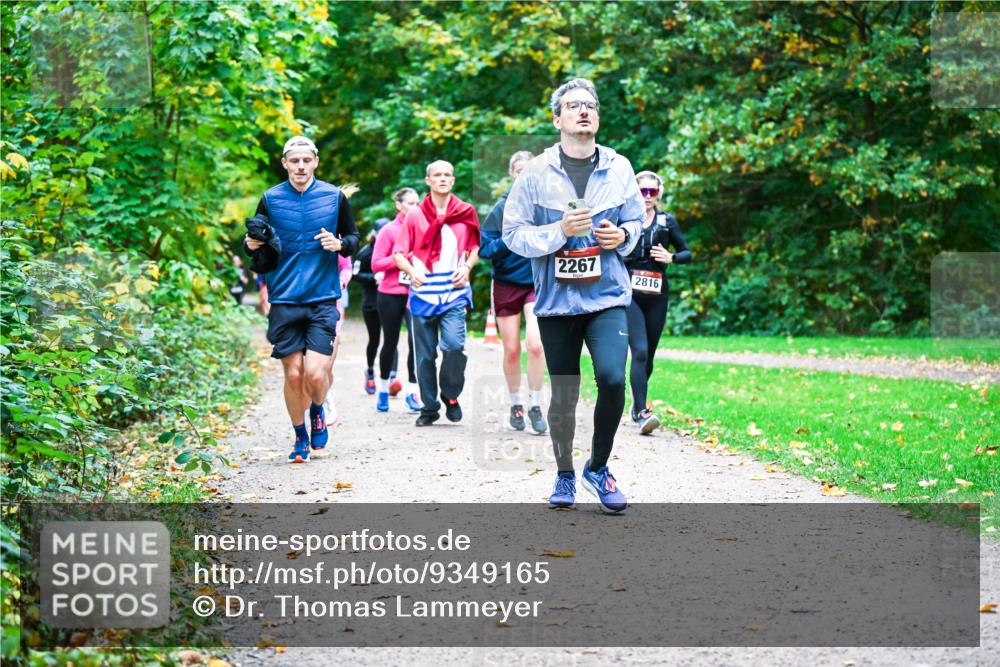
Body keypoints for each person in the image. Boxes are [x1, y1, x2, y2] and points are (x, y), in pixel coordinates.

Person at [503, 78, 643, 513]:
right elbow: (512, 235)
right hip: (557, 301)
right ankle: (564, 473)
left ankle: (598, 468)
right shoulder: (535, 174)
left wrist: (621, 236)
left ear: (597, 117)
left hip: (607, 296)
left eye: (590, 106)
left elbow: (636, 225)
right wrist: (557, 232)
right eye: (574, 106)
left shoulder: (619, 168)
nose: (583, 111)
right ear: (557, 118)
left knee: (614, 378)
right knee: (563, 391)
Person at [244, 136, 358, 463]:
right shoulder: (270, 198)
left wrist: (341, 245)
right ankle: (299, 438)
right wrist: (250, 244)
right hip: (285, 300)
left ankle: (318, 410)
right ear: (285, 164)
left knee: (315, 374)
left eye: (306, 160)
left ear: (316, 162)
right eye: (294, 161)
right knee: (293, 375)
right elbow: (257, 238)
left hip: (323, 298)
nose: (301, 167)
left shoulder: (334, 197)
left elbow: (353, 237)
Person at [393, 161, 480, 427]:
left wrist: (467, 267)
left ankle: (450, 396)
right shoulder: (416, 215)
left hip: (454, 292)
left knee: (454, 346)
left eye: (446, 175)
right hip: (423, 294)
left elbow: (475, 246)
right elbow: (398, 253)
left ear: (452, 180)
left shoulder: (465, 212)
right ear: (428, 181)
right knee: (425, 355)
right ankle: (429, 407)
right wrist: (411, 270)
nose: (442, 179)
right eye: (436, 175)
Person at [479, 150, 547, 434]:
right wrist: (509, 239)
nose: (524, 176)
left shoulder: (544, 207)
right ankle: (515, 403)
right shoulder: (500, 210)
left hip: (535, 283)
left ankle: (535, 404)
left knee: (536, 345)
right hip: (506, 284)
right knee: (511, 350)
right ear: (512, 175)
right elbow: (485, 250)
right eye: (519, 171)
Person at [624, 170, 692, 435]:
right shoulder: (626, 218)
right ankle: (642, 412)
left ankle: (636, 403)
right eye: (643, 191)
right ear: (635, 191)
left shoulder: (667, 221)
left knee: (648, 355)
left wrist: (671, 258)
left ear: (659, 193)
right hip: (630, 294)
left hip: (657, 293)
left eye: (653, 191)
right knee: (638, 351)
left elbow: (687, 253)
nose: (648, 196)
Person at [372, 188, 422, 412]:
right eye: (410, 203)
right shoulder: (388, 231)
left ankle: (413, 393)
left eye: (418, 203)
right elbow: (376, 264)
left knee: (416, 343)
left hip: (415, 293)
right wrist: (400, 260)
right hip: (390, 293)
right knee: (390, 342)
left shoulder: (423, 229)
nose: (415, 207)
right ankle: (383, 389)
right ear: (399, 205)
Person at [353, 218, 391, 395]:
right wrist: (372, 278)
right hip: (371, 303)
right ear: (375, 234)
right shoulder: (365, 253)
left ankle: (392, 377)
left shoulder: (394, 251)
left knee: (391, 340)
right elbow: (354, 274)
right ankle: (369, 372)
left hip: (391, 300)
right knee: (375, 339)